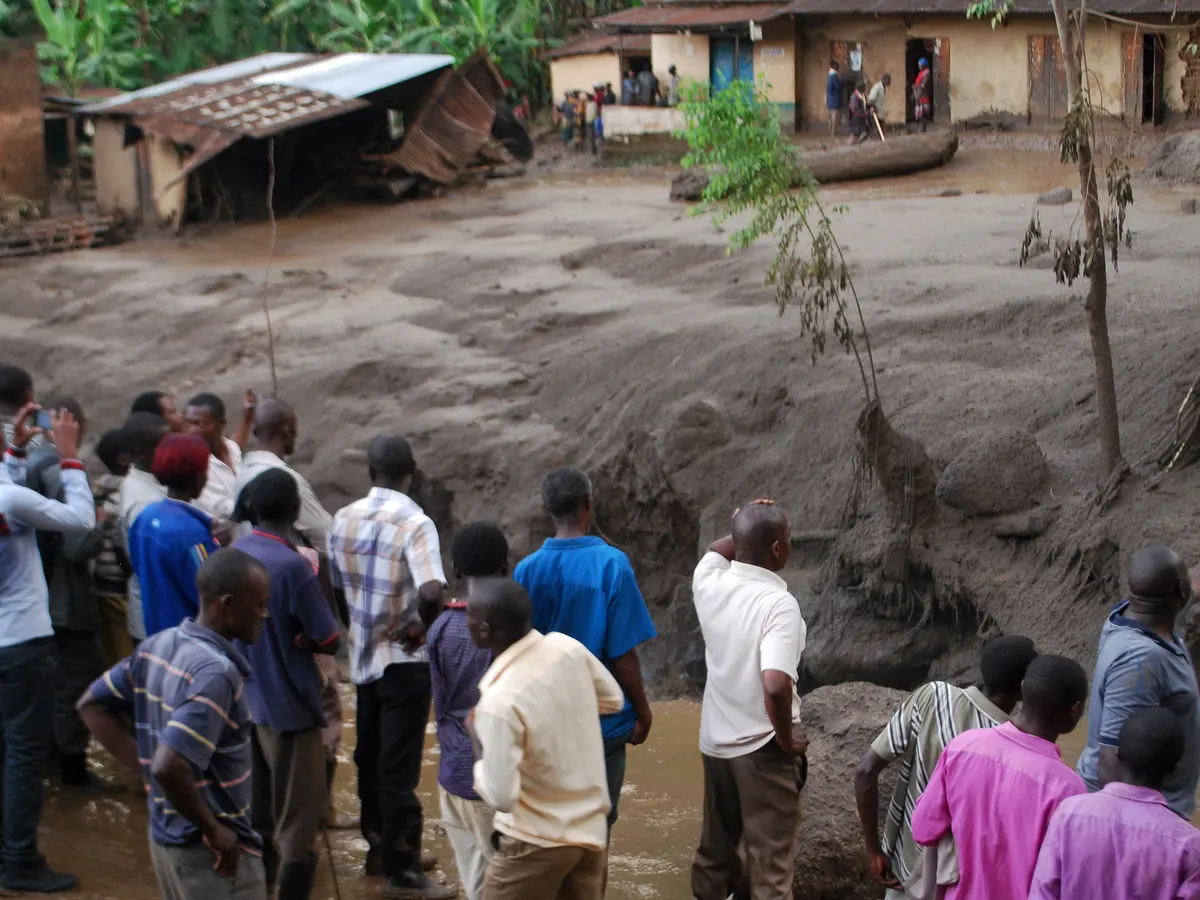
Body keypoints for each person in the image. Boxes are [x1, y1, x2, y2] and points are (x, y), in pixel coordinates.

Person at [78, 548, 271, 900]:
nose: (265, 614)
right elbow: (169, 765)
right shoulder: (216, 674)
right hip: (211, 856)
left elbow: (92, 704)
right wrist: (214, 829)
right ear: (227, 605)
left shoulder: (160, 644)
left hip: (166, 839)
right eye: (259, 604)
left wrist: (143, 766)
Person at [328, 434, 451, 899]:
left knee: (370, 758)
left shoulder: (343, 518)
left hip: (362, 658)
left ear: (370, 472)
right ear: (412, 471)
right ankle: (405, 874)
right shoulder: (416, 523)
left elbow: (334, 585)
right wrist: (420, 624)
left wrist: (355, 627)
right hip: (403, 661)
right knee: (398, 769)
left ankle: (380, 849)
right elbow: (433, 592)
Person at [514, 467, 656, 839]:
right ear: (588, 504)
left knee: (547, 826)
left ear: (547, 507)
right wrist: (642, 712)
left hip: (544, 723)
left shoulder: (526, 571)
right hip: (601, 726)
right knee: (594, 830)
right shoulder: (612, 564)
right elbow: (623, 652)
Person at [467, 577, 624, 900]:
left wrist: (477, 743)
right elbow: (613, 701)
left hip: (533, 844)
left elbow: (501, 797)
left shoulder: (499, 702)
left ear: (483, 630)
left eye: (468, 615)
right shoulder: (567, 649)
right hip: (589, 836)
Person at [854, 635, 1039, 900]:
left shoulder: (933, 696)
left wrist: (874, 850)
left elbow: (865, 771)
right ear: (1024, 687)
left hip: (905, 869)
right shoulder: (1014, 747)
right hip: (963, 885)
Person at [689, 501, 807, 900]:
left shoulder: (708, 580)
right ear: (777, 549)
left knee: (714, 854)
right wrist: (787, 738)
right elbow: (774, 684)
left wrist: (742, 519)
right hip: (761, 746)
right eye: (787, 538)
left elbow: (718, 549)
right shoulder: (778, 605)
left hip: (714, 743)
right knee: (771, 866)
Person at [233, 469, 341, 900]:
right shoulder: (294, 565)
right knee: (298, 824)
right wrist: (307, 635)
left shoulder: (235, 554)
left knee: (258, 814)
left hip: (246, 701)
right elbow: (329, 637)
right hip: (292, 707)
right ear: (295, 511)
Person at [0, 403, 92, 893]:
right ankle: (19, 861)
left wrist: (15, 451)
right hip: (22, 644)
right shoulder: (11, 500)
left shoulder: (8, 495)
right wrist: (70, 456)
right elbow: (79, 521)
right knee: (24, 758)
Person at [910, 654, 1090, 900]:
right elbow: (1070, 880)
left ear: (1023, 689)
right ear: (1076, 711)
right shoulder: (1068, 790)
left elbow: (923, 827)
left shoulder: (963, 747)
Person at [24, 395, 121, 794]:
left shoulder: (27, 463)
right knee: (77, 683)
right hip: (63, 600)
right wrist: (102, 523)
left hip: (34, 598)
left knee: (50, 683)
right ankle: (74, 774)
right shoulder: (57, 471)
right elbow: (76, 547)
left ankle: (49, 764)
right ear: (71, 425)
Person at [1077, 546, 1200, 818]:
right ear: (1178, 593)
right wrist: (1142, 838)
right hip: (1146, 820)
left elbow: (1192, 583)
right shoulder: (1141, 662)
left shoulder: (1139, 613)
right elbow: (1112, 765)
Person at [1031, 706, 1200, 899]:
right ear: (1175, 769)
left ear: (1118, 754)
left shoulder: (1069, 814)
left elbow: (1043, 893)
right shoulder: (1190, 847)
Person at [427, 523, 507, 900]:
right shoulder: (506, 631)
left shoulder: (440, 626)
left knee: (476, 882)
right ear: (505, 566)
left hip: (453, 774)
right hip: (494, 778)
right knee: (508, 883)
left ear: (455, 569)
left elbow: (441, 703)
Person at [129, 433, 218, 636]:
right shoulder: (191, 533)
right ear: (197, 475)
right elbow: (208, 594)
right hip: (189, 642)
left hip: (158, 635)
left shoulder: (146, 516)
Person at [237, 398, 332, 555]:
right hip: (287, 566)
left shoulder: (240, 470)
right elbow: (325, 535)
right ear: (288, 431)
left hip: (248, 563)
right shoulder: (285, 480)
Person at [118, 411, 172, 643]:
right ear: (141, 454)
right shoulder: (143, 503)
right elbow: (159, 564)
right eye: (165, 446)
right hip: (157, 618)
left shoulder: (151, 482)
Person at [93, 428, 134, 666]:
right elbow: (121, 547)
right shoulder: (122, 495)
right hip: (119, 584)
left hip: (101, 582)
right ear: (124, 458)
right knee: (125, 655)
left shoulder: (97, 489)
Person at [186, 391, 253, 522]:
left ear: (222, 424)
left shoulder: (231, 448)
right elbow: (223, 510)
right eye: (188, 423)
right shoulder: (194, 467)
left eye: (198, 424)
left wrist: (247, 418)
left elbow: (235, 448)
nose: (191, 431)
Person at [913, 58, 932, 132]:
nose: (919, 66)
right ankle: (921, 129)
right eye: (919, 65)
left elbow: (923, 85)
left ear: (924, 65)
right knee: (920, 115)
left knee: (923, 114)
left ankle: (922, 129)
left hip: (923, 95)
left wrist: (915, 86)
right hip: (919, 95)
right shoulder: (921, 73)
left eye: (920, 65)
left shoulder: (926, 72)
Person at [826, 60, 843, 136]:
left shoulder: (829, 76)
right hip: (835, 99)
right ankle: (833, 131)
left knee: (830, 116)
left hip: (830, 99)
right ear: (835, 67)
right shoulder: (834, 76)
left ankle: (830, 130)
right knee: (835, 117)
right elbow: (838, 87)